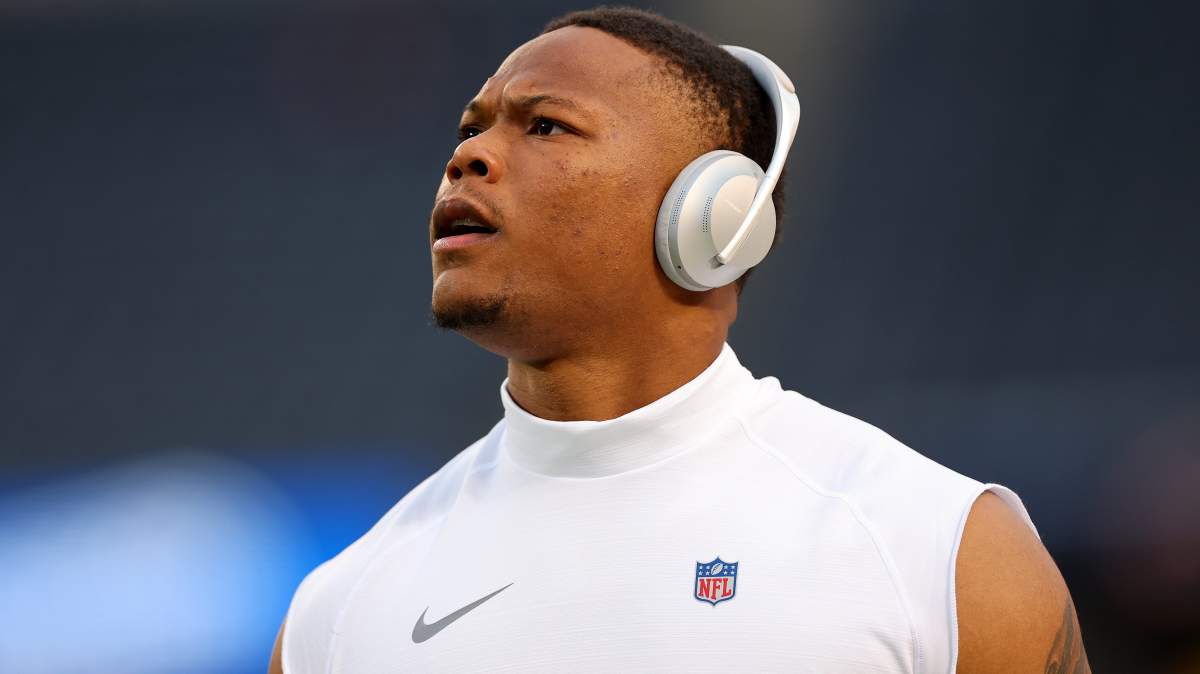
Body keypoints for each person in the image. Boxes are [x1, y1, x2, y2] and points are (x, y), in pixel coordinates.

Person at [270, 7, 1089, 673]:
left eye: (546, 126)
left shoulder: (939, 550)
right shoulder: (338, 610)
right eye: (470, 128)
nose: (469, 156)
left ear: (714, 215)